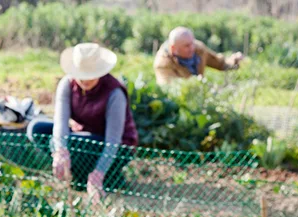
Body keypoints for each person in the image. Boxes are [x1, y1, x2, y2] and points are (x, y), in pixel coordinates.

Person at [27, 42, 138, 202]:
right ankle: (79, 174)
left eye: (90, 75)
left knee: (73, 143)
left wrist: (98, 174)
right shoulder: (67, 84)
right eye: (81, 74)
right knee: (37, 129)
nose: (84, 80)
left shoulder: (114, 93)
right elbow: (60, 123)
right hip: (82, 137)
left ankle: (104, 174)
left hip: (114, 146)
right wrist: (60, 152)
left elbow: (113, 141)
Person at [154, 27, 244, 86]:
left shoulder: (198, 49)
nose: (192, 48)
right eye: (187, 46)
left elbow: (219, 63)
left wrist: (234, 61)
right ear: (174, 49)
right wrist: (197, 83)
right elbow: (170, 89)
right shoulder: (163, 64)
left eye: (192, 43)